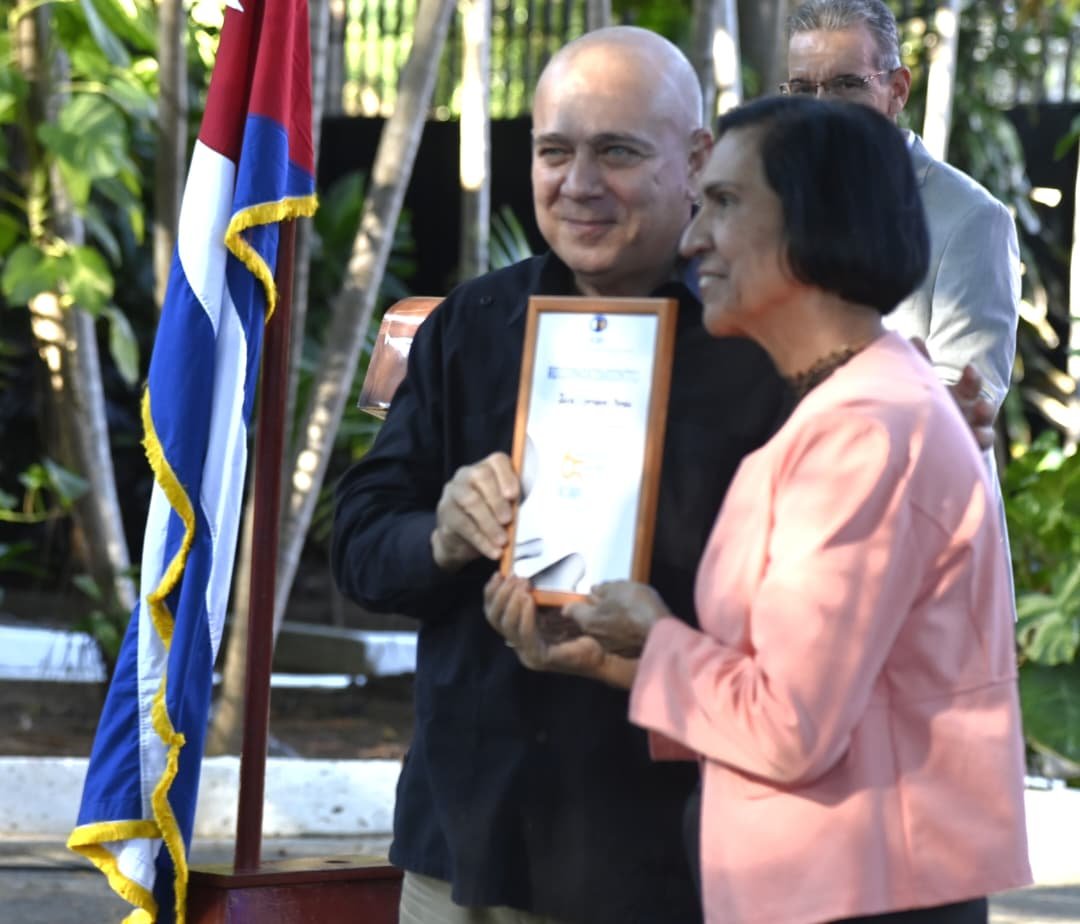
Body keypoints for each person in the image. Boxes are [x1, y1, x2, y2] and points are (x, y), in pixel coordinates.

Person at [486, 97, 1032, 924]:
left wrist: (656, 638)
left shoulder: (866, 430)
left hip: (859, 893)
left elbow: (789, 727)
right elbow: (798, 693)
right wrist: (602, 658)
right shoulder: (851, 407)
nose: (694, 237)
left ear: (818, 224)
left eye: (725, 203)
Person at [331, 27, 791, 923]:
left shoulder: (758, 346)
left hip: (662, 860)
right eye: (554, 151)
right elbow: (361, 543)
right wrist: (441, 537)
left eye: (616, 151)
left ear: (697, 161)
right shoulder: (472, 323)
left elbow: (797, 624)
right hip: (462, 843)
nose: (579, 183)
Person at [783, 0, 1019, 433]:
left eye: (845, 84)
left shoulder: (972, 219)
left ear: (897, 90)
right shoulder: (773, 204)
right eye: (802, 89)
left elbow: (964, 405)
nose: (820, 108)